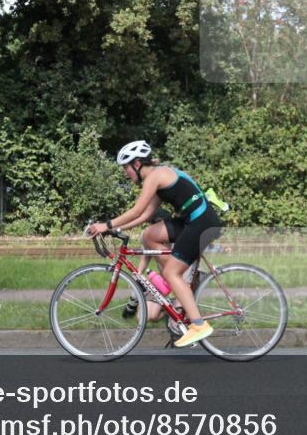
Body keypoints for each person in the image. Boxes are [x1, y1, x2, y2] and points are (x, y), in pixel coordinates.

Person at [86, 140, 222, 348]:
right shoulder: (158, 179)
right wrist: (115, 229)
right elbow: (144, 216)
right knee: (149, 235)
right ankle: (177, 283)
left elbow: (136, 210)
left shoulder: (155, 176)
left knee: (171, 273)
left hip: (201, 223)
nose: (125, 173)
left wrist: (106, 225)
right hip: (192, 221)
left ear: (137, 164)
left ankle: (198, 324)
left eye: (125, 168)